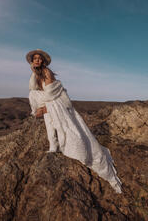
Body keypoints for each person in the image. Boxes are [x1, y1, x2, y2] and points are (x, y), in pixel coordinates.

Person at [26, 49, 123, 194]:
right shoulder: (36, 74)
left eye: (40, 58)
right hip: (51, 103)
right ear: (33, 61)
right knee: (35, 99)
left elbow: (51, 94)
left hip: (57, 103)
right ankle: (53, 144)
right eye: (35, 58)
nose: (37, 60)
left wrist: (45, 108)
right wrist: (44, 107)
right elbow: (33, 89)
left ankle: (64, 147)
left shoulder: (47, 73)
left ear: (43, 61)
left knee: (72, 134)